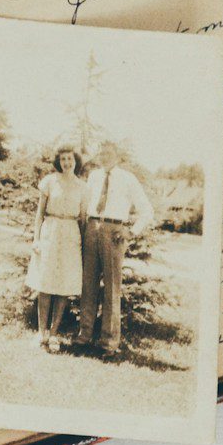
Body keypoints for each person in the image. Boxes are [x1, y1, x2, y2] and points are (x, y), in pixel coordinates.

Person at [76, 142, 154, 356]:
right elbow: (84, 205)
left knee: (112, 288)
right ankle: (84, 336)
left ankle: (108, 343)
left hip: (114, 231)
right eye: (101, 153)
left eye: (109, 153)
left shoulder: (127, 178)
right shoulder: (93, 176)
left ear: (117, 156)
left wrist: (131, 231)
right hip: (92, 228)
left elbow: (147, 211)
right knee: (88, 284)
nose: (105, 156)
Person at [25, 146, 87, 352]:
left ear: (76, 161)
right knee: (45, 283)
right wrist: (36, 239)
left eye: (70, 159)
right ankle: (41, 332)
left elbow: (84, 219)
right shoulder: (50, 182)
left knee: (63, 285)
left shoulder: (82, 186)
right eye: (63, 160)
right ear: (59, 162)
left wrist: (83, 244)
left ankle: (54, 333)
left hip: (70, 235)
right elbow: (39, 214)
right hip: (50, 233)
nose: (67, 163)